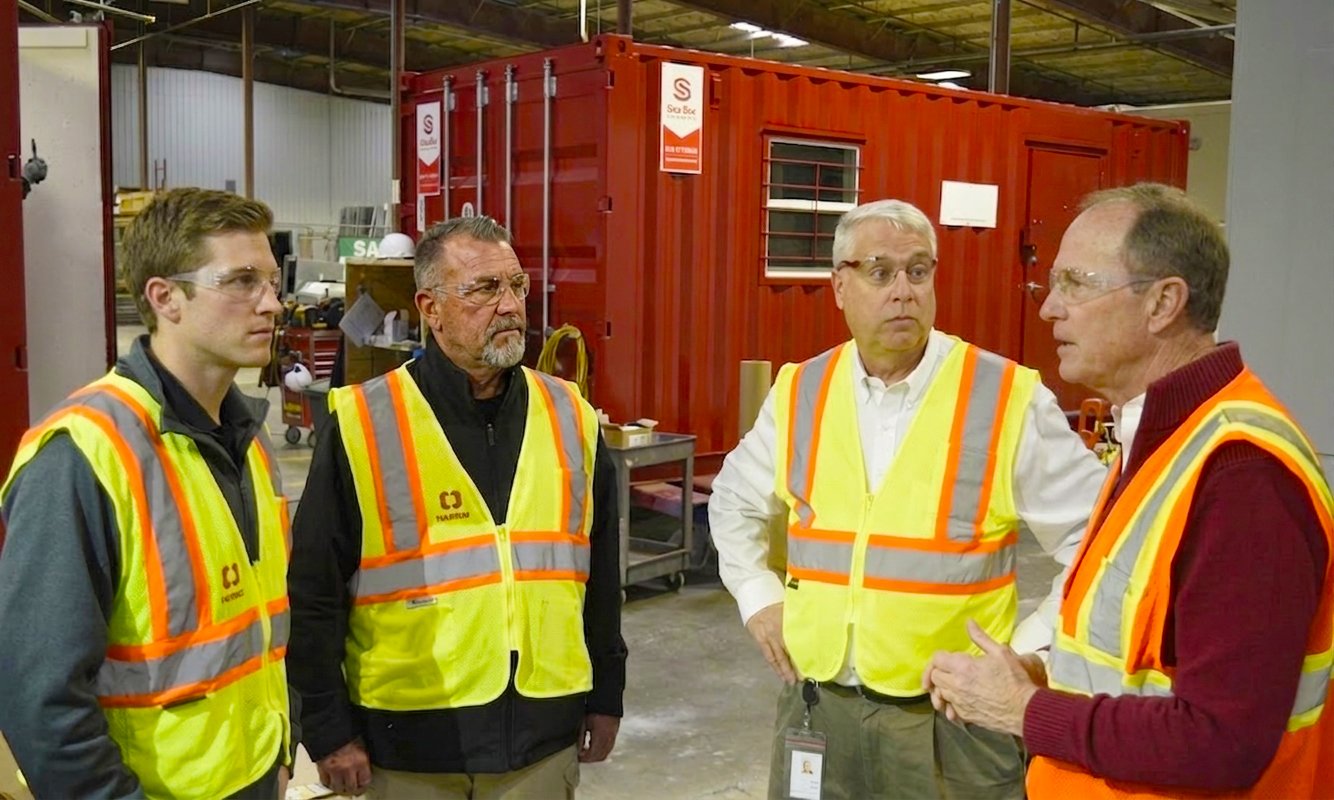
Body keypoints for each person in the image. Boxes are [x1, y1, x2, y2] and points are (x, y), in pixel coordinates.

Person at [925, 183, 1334, 797]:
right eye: (1051, 284)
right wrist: (1044, 677)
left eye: (1076, 283)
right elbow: (1141, 664)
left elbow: (1222, 741)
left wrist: (1027, 711)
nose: (1049, 309)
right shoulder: (1161, 438)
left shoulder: (1242, 475)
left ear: (1163, 302)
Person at [707, 198, 1108, 799]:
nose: (904, 291)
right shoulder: (801, 390)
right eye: (880, 272)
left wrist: (1028, 653)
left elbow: (1100, 543)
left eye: (918, 271)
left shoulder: (1002, 397)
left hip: (952, 724)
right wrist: (758, 597)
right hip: (817, 708)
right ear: (840, 286)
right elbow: (733, 500)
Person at [287, 215, 626, 798]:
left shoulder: (570, 414)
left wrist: (607, 693)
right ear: (431, 307)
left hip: (542, 738)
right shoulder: (365, 422)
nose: (510, 305)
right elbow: (314, 591)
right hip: (408, 746)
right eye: (484, 289)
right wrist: (326, 727)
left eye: (516, 285)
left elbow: (599, 574)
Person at [0, 188, 296, 799]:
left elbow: (261, 626)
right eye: (242, 281)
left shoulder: (247, 436)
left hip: (254, 778)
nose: (272, 303)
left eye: (272, 281)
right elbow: (41, 697)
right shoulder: (83, 454)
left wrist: (280, 748)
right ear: (165, 298)